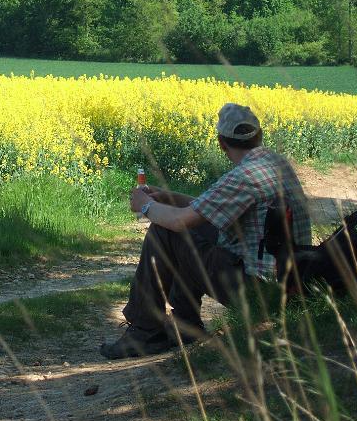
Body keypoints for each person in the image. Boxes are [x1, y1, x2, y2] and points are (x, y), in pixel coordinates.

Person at [100, 103, 311, 359]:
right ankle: (184, 326)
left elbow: (179, 222)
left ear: (222, 143)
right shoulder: (275, 164)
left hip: (259, 295)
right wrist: (167, 197)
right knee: (195, 232)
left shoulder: (244, 176)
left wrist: (146, 207)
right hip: (287, 284)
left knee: (165, 232)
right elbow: (207, 210)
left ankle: (145, 332)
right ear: (259, 135)